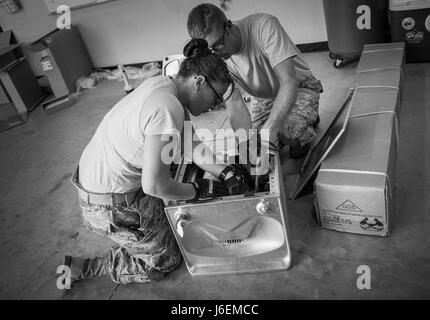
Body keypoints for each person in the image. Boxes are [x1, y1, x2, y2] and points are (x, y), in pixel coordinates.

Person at [66, 39, 251, 285]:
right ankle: (89, 267)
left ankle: (146, 238)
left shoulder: (166, 87)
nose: (214, 107)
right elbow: (153, 187)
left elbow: (191, 145)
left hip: (99, 179)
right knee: (170, 258)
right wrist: (201, 189)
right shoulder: (166, 107)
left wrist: (225, 171)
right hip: (108, 204)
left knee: (179, 173)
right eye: (216, 98)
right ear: (199, 82)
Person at [187, 3, 323, 159]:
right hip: (264, 98)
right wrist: (246, 145)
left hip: (300, 88)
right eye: (210, 50)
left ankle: (306, 121)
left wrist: (270, 129)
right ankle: (295, 120)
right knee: (255, 142)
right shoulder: (215, 57)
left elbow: (289, 82)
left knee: (289, 134)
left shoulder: (264, 27)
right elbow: (235, 103)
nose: (217, 53)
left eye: (218, 45)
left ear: (229, 26)